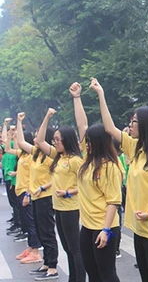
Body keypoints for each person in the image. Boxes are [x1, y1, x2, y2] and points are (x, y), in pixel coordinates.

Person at [90, 78, 148, 282]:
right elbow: (109, 128)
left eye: (134, 121)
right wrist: (101, 94)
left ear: (146, 125)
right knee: (145, 277)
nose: (130, 125)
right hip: (138, 228)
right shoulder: (136, 148)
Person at [69, 82, 123, 282]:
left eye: (90, 142)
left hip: (104, 227)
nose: (86, 144)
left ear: (98, 142)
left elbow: (113, 201)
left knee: (106, 273)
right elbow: (82, 125)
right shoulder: (87, 161)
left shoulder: (109, 167)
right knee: (92, 272)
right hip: (88, 226)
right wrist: (77, 97)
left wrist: (106, 230)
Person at [36, 108, 86, 282]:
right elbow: (39, 140)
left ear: (67, 140)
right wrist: (47, 117)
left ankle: (79, 278)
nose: (55, 142)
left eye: (58, 139)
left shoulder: (75, 160)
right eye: (54, 139)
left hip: (71, 208)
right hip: (58, 207)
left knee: (75, 248)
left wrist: (68, 192)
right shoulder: (58, 157)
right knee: (67, 248)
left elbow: (85, 185)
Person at [17, 112, 60, 280]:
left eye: (38, 136)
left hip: (46, 197)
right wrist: (19, 122)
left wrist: (46, 117)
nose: (35, 139)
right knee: (42, 232)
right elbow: (20, 142)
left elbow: (54, 179)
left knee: (48, 232)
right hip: (36, 197)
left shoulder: (51, 155)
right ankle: (46, 263)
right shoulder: (36, 153)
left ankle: (53, 268)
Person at [3, 128, 43, 263]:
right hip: (19, 191)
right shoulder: (23, 154)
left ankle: (36, 252)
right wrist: (10, 136)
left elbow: (32, 177)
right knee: (26, 222)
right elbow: (8, 149)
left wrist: (27, 193)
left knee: (31, 223)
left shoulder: (32, 156)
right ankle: (31, 248)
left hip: (27, 192)